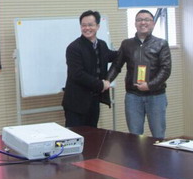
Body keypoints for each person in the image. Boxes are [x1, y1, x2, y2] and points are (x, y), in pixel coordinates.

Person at [107, 9, 171, 139]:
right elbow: (117, 65)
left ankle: (158, 154)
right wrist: (107, 81)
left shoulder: (161, 44)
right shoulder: (127, 44)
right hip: (133, 96)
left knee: (158, 135)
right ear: (135, 23)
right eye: (139, 20)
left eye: (146, 20)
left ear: (153, 23)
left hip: (156, 96)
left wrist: (150, 85)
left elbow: (166, 69)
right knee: (134, 136)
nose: (143, 22)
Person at [62, 10, 117, 128]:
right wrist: (101, 84)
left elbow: (111, 56)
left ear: (98, 26)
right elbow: (77, 74)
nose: (87, 28)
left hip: (94, 101)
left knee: (93, 134)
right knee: (75, 135)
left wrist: (128, 49)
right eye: (84, 25)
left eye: (90, 25)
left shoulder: (102, 45)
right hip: (76, 103)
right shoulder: (74, 48)